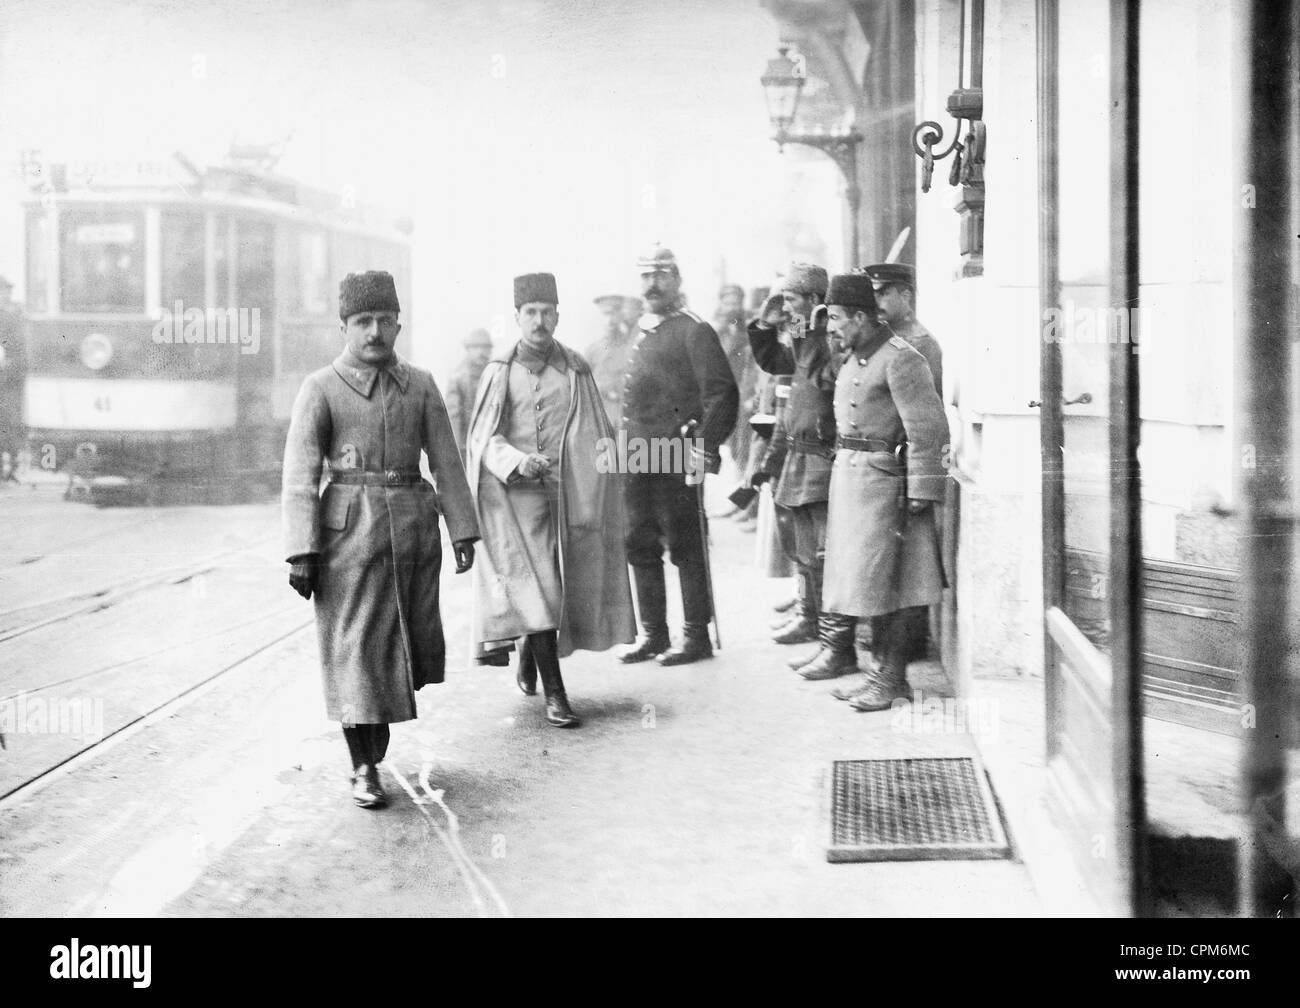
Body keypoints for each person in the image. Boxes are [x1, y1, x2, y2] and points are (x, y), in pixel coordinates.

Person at [282, 270, 480, 809]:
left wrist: (462, 529)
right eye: (362, 321)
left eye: (384, 320)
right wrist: (301, 550)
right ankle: (363, 766)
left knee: (397, 653)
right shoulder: (320, 387)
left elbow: (446, 460)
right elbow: (299, 475)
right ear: (343, 327)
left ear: (398, 325)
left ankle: (374, 752)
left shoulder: (421, 385)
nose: (374, 331)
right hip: (347, 541)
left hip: (413, 535)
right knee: (355, 651)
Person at [466, 273, 635, 728]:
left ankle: (529, 649)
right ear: (517, 317)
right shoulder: (499, 371)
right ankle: (556, 694)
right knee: (540, 586)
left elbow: (596, 432)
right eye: (530, 313)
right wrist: (517, 461)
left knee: (561, 588)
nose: (539, 321)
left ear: (557, 316)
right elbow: (483, 439)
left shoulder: (576, 368)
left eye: (546, 312)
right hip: (518, 501)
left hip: (570, 493)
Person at [817, 273, 950, 709]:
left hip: (888, 488)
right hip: (855, 484)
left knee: (897, 587)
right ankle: (878, 675)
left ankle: (892, 679)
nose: (831, 327)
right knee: (869, 584)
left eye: (836, 318)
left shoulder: (902, 358)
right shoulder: (855, 358)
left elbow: (929, 429)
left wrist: (922, 489)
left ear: (860, 317)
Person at [618, 245, 738, 666]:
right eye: (646, 276)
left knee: (685, 544)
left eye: (661, 275)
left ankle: (695, 637)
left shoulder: (694, 330)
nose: (652, 284)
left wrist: (702, 448)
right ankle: (653, 635)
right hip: (635, 454)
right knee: (638, 541)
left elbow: (722, 394)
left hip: (676, 454)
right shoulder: (640, 329)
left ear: (677, 279)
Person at [747, 264, 843, 669]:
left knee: (822, 551)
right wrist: (766, 323)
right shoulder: (806, 337)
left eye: (790, 299)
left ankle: (830, 636)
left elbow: (819, 372)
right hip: (799, 452)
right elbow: (774, 361)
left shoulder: (827, 339)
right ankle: (811, 620)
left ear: (814, 300)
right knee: (804, 548)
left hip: (821, 455)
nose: (785, 308)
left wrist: (803, 325)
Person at [863, 263, 943, 395]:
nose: (876, 302)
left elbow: (925, 402)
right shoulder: (874, 335)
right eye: (873, 295)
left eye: (883, 294)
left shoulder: (922, 343)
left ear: (905, 296)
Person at [714, 282, 758, 516]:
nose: (732, 307)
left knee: (745, 450)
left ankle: (745, 504)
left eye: (736, 302)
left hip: (745, 397)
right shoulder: (716, 333)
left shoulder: (749, 329)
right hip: (725, 398)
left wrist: (749, 395)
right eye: (727, 302)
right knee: (731, 450)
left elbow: (754, 366)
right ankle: (737, 501)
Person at [585, 293, 636, 427]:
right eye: (606, 314)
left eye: (614, 313)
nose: (610, 320)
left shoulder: (632, 347)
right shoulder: (592, 350)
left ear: (621, 315)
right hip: (599, 418)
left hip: (626, 416)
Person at [445, 328, 494, 460]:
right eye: (476, 347)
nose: (481, 352)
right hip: (466, 447)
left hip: (492, 446)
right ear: (468, 349)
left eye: (485, 347)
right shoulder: (458, 378)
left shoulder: (496, 375)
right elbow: (453, 417)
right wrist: (456, 452)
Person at [0, 276, 27, 482]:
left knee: (11, 423)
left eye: (6, 291)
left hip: (10, 379)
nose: (5, 295)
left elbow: (21, 350)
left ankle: (12, 466)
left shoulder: (15, 316)